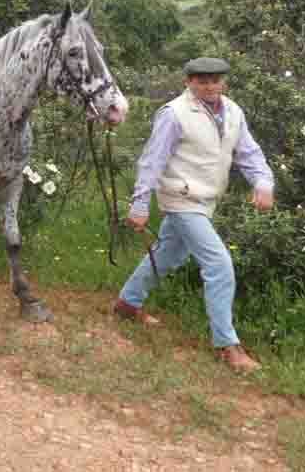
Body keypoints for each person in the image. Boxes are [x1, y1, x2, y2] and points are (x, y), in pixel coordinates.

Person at [113, 57, 275, 373]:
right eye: (201, 81)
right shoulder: (174, 114)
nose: (209, 86)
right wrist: (140, 203)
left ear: (223, 82)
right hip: (181, 198)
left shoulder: (233, 112)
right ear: (188, 81)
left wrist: (264, 181)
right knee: (218, 264)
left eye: (215, 80)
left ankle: (127, 304)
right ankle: (227, 345)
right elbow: (151, 160)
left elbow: (249, 153)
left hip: (206, 200)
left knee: (168, 255)